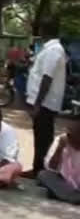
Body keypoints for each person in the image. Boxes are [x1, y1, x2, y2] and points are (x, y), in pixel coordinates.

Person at [25, 24, 67, 178]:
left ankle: (40, 170)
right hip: (44, 102)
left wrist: (37, 104)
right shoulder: (49, 49)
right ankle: (38, 168)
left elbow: (47, 78)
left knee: (43, 137)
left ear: (44, 31)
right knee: (41, 136)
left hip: (45, 103)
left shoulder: (54, 50)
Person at [38, 120, 80, 204]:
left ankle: (62, 195)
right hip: (64, 182)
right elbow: (50, 168)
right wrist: (59, 148)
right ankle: (72, 197)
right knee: (44, 175)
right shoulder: (60, 141)